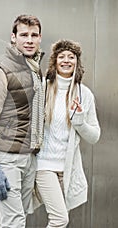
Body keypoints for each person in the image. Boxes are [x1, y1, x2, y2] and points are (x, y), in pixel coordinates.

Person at [0, 14, 45, 228]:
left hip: (29, 158)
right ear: (13, 37)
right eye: (24, 35)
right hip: (7, 159)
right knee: (13, 222)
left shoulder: (34, 68)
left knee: (20, 218)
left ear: (40, 38)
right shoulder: (0, 71)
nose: (29, 40)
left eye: (34, 35)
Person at [35, 39, 101, 227]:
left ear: (77, 62)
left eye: (71, 57)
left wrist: (79, 121)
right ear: (55, 61)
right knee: (60, 219)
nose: (66, 60)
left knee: (60, 219)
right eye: (61, 56)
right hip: (44, 164)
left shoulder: (84, 94)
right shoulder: (43, 88)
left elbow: (95, 136)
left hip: (68, 167)